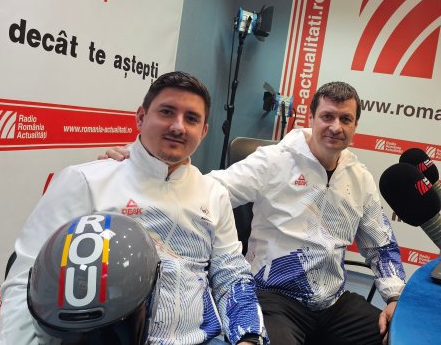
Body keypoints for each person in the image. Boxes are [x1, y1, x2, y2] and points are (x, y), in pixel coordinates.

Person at [102, 81, 406, 345]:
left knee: (399, 338)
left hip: (333, 302)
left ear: (355, 126)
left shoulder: (360, 178)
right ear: (311, 118)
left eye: (345, 119)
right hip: (274, 299)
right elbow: (209, 189)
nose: (336, 127)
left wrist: (393, 297)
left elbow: (380, 244)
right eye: (327, 116)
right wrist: (143, 166)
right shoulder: (274, 161)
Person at [0, 71, 268, 345]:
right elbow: (27, 279)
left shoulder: (214, 193)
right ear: (141, 117)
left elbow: (231, 274)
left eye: (191, 118)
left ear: (204, 131)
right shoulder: (85, 180)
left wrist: (249, 337)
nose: (178, 127)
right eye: (167, 112)